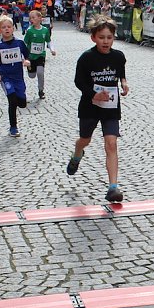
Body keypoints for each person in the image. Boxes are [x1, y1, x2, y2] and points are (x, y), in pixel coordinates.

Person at [66, 15, 130, 204]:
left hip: (110, 107)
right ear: (93, 38)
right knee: (85, 139)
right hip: (90, 106)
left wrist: (124, 84)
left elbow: (121, 75)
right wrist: (94, 95)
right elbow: (79, 82)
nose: (105, 41)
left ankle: (113, 188)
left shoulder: (118, 56)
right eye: (101, 37)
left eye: (109, 37)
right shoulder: (86, 58)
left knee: (111, 143)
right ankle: (77, 154)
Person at [0, 16, 31, 137]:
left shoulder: (20, 43)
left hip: (18, 78)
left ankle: (19, 100)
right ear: (0, 30)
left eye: (9, 27)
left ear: (13, 28)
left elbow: (28, 56)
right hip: (6, 77)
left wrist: (27, 61)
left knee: (22, 103)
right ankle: (13, 127)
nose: (6, 29)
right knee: (12, 100)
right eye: (3, 27)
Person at [23, 10, 55, 99]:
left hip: (41, 55)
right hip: (31, 56)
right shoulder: (29, 31)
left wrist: (52, 50)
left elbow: (48, 41)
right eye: (30, 18)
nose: (31, 19)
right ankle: (30, 69)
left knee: (40, 73)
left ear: (40, 18)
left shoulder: (45, 30)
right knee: (32, 75)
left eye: (33, 17)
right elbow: (25, 43)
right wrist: (23, 56)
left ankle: (41, 91)